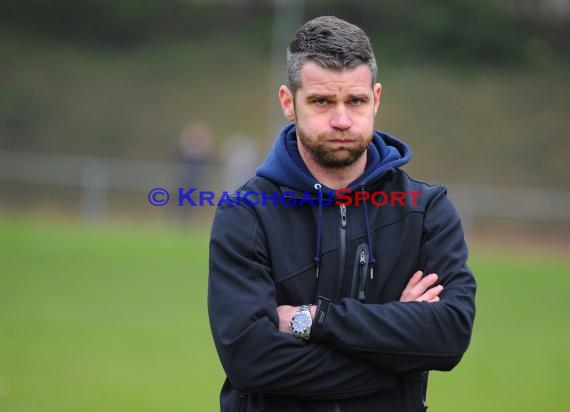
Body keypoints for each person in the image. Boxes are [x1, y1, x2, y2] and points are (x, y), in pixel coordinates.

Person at [208, 16, 476, 412]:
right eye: (321, 101)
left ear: (376, 99)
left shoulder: (426, 210)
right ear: (288, 102)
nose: (341, 120)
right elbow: (251, 360)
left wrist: (311, 320)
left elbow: (450, 335)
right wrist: (398, 355)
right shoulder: (246, 212)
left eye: (356, 101)